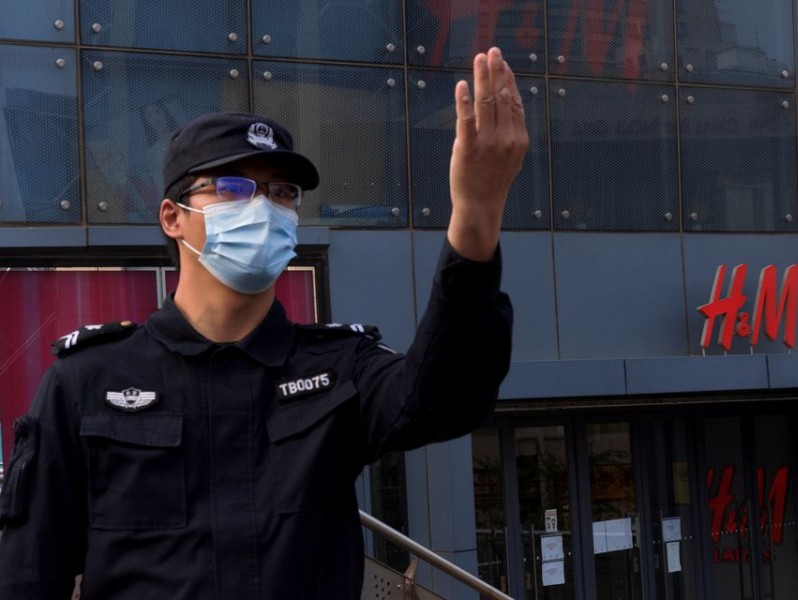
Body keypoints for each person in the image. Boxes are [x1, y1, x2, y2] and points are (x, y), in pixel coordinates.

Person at [0, 46, 528, 599]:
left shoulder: (336, 368)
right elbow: (28, 575)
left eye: (281, 192)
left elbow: (447, 396)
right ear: (173, 217)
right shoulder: (88, 381)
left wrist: (476, 215)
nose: (263, 207)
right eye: (232, 187)